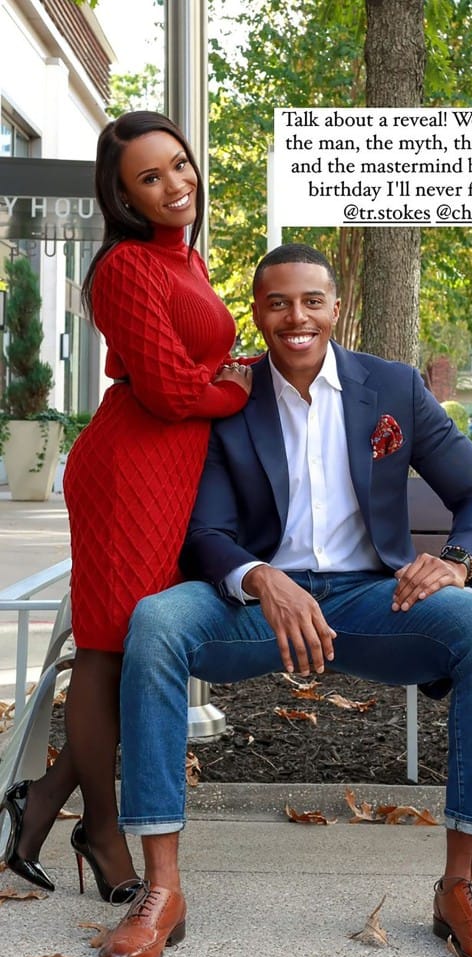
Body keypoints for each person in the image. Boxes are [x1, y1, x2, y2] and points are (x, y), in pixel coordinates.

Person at [96, 243, 472, 957]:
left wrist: (458, 562)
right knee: (158, 623)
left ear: (335, 308)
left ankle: (463, 886)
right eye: (278, 303)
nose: (296, 317)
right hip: (261, 603)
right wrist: (262, 577)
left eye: (311, 301)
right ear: (257, 313)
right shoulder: (233, 396)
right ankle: (162, 890)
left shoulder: (392, 387)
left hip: (373, 598)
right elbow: (206, 531)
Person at [0, 111, 251, 902]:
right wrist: (236, 390)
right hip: (128, 474)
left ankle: (41, 805)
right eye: (150, 177)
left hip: (170, 474)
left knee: (128, 648)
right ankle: (102, 832)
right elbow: (173, 390)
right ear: (122, 195)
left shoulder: (187, 259)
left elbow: (192, 365)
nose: (175, 184)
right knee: (109, 650)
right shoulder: (123, 268)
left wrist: (232, 372)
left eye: (179, 164)